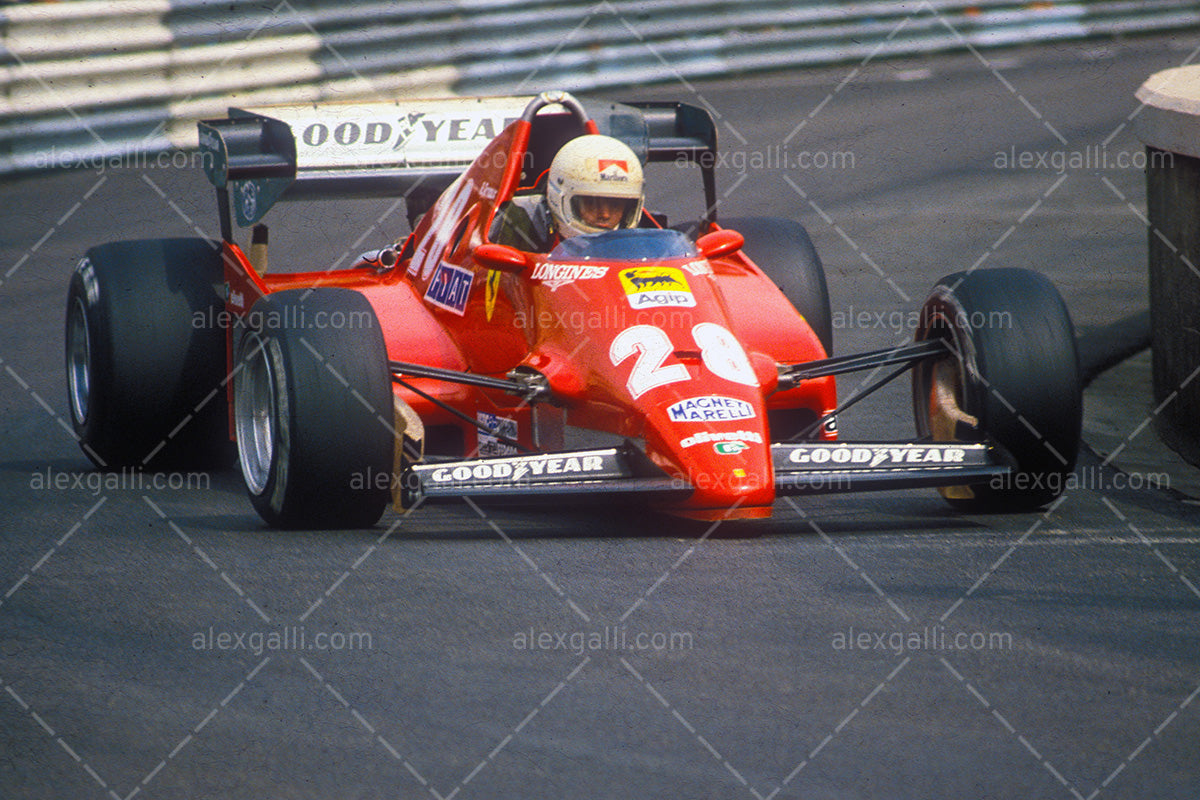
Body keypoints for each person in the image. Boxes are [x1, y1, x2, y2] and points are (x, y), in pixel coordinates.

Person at [490, 134, 645, 251]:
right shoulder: (521, 219)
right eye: (592, 203)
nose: (605, 214)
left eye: (616, 205)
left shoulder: (637, 240)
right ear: (559, 199)